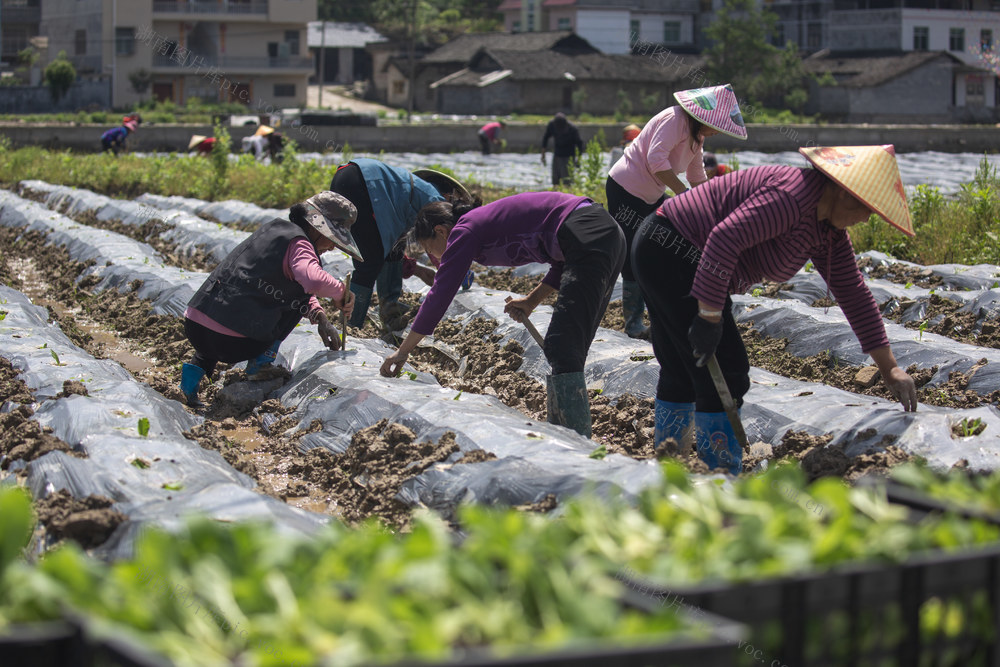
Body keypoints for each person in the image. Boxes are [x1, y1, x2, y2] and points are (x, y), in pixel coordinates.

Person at [632, 144, 918, 474]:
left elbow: (853, 292)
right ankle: (720, 478)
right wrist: (709, 317)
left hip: (670, 248)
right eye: (867, 210)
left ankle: (671, 467)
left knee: (685, 365)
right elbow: (724, 239)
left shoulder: (827, 233)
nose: (866, 218)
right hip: (672, 247)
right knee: (726, 370)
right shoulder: (793, 197)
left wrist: (889, 368)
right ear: (846, 193)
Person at [380, 192, 625, 438]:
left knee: (563, 345)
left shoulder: (464, 231)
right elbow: (560, 260)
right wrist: (531, 301)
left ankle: (573, 442)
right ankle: (571, 435)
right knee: (571, 346)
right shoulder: (476, 226)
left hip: (588, 233)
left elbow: (440, 295)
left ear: (441, 232)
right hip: (603, 233)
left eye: (428, 247)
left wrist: (404, 350)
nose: (434, 256)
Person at [178, 191, 360, 408]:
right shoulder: (301, 244)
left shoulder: (272, 231)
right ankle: (261, 364)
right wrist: (342, 292)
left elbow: (285, 285)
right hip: (235, 341)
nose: (331, 247)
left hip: (197, 327)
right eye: (332, 240)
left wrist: (321, 318)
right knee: (296, 298)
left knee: (232, 304)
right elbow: (311, 281)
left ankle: (188, 385)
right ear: (315, 227)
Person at [607, 84, 747, 340]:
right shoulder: (675, 120)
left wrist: (711, 206)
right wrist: (682, 195)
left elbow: (696, 175)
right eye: (717, 126)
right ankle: (634, 324)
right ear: (705, 117)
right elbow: (655, 159)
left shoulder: (697, 136)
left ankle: (663, 315)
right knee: (634, 255)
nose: (717, 132)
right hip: (626, 190)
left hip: (652, 191)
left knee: (662, 249)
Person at [329, 159, 471, 331]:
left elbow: (392, 250)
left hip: (349, 178)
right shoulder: (435, 199)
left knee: (392, 250)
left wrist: (417, 270)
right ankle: (350, 326)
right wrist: (459, 272)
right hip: (362, 184)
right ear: (448, 196)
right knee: (369, 262)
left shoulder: (411, 197)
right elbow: (447, 244)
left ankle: (390, 309)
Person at [540, 112, 584, 187]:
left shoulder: (572, 129)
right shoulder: (552, 125)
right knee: (555, 179)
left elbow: (580, 144)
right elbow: (545, 138)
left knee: (567, 180)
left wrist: (578, 159)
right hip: (557, 155)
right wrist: (543, 154)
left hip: (569, 156)